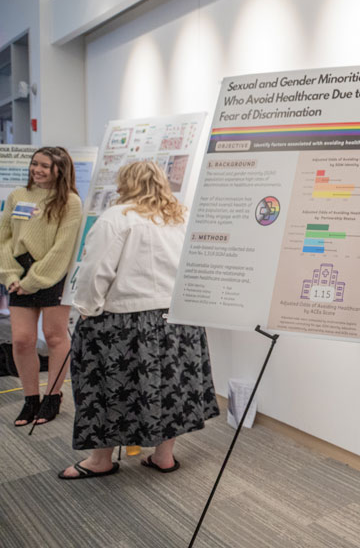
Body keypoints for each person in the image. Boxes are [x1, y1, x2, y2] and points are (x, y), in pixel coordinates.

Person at [59, 160, 218, 480]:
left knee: (105, 388)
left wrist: (86, 308)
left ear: (125, 184)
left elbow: (94, 272)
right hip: (179, 320)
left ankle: (100, 460)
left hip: (125, 324)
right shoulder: (182, 216)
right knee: (171, 387)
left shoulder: (117, 218)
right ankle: (163, 456)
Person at [0, 146, 82, 426]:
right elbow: (4, 238)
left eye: (44, 165)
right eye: (34, 164)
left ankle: (53, 396)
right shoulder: (17, 196)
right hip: (17, 274)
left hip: (52, 274)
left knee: (55, 336)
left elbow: (63, 249)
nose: (37, 169)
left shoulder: (70, 202)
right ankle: (30, 399)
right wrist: (11, 275)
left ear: (59, 169)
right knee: (22, 340)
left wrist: (33, 281)